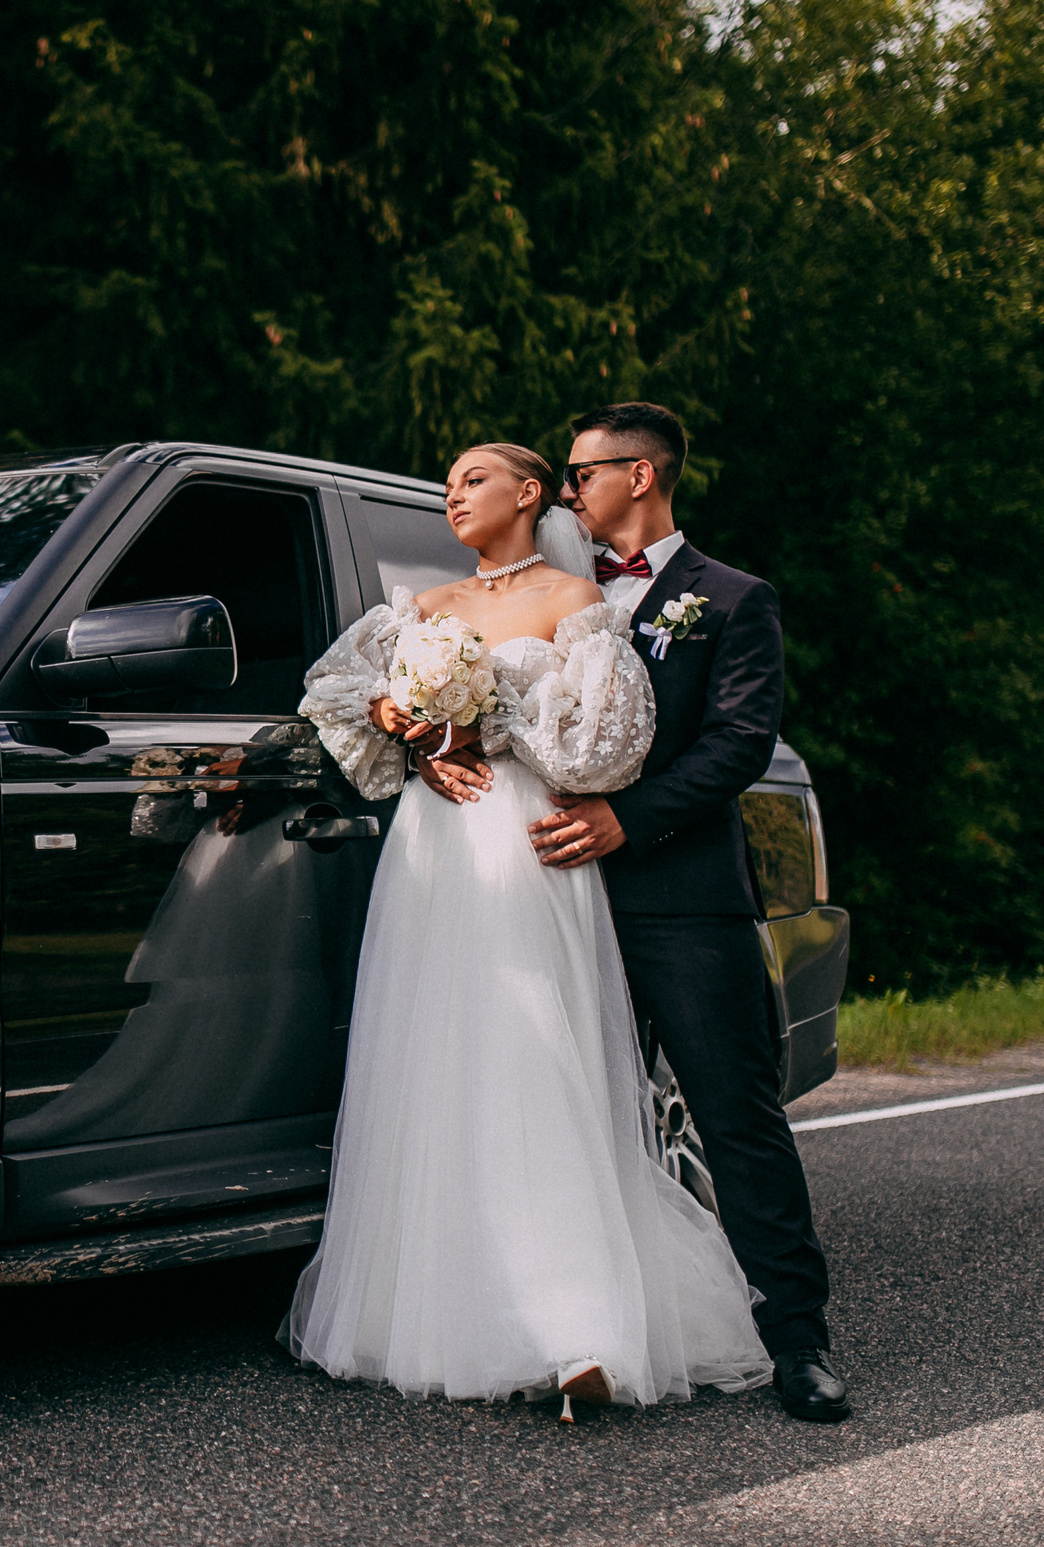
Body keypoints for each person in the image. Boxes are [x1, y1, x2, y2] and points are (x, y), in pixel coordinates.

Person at [282, 441, 773, 1417]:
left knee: (533, 1062)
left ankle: (575, 1328)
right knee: (434, 1065)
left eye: (474, 478)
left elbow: (606, 746)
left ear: (530, 492)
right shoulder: (420, 610)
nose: (454, 495)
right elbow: (334, 697)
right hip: (432, 855)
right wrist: (407, 721)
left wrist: (485, 710)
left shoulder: (572, 602)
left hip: (527, 842)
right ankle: (432, 1312)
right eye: (447, 486)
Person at [418, 402, 849, 1424]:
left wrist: (628, 820)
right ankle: (582, 1334)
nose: (568, 491)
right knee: (563, 1119)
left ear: (641, 476)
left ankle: (797, 1340)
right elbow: (476, 712)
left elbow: (737, 745)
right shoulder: (535, 588)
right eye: (562, 478)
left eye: (581, 474)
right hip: (535, 898)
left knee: (734, 1117)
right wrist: (440, 755)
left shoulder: (731, 600)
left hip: (675, 898)